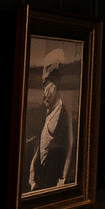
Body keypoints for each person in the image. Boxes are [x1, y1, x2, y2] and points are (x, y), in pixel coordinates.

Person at [28, 50, 75, 190]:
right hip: (38, 179)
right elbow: (39, 143)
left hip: (54, 180)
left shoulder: (65, 113)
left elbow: (70, 146)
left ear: (57, 85)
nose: (46, 93)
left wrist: (63, 178)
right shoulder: (43, 112)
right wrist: (32, 176)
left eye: (49, 88)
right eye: (44, 88)